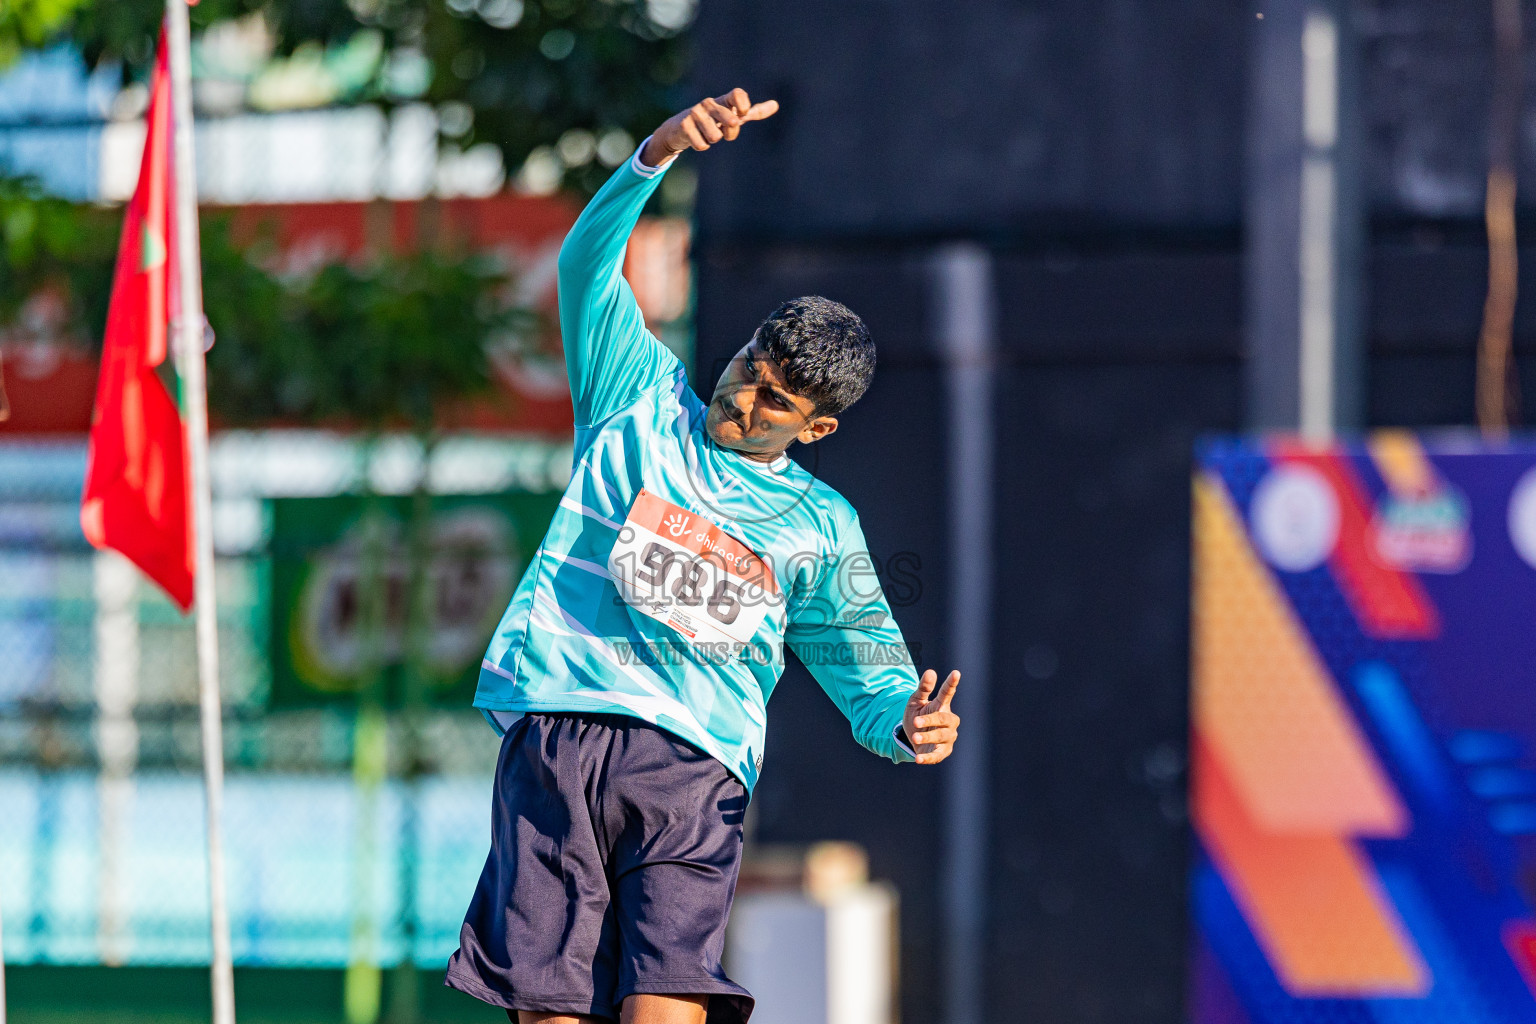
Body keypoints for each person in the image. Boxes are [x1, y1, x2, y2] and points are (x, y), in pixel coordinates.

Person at [445, 88, 963, 1024]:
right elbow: (585, 267)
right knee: (546, 1007)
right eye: (750, 367)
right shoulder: (634, 398)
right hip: (560, 728)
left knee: (667, 1002)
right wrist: (655, 155)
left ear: (818, 427)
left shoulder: (820, 522)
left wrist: (906, 726)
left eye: (776, 402)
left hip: (695, 770)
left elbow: (869, 673)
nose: (745, 397)